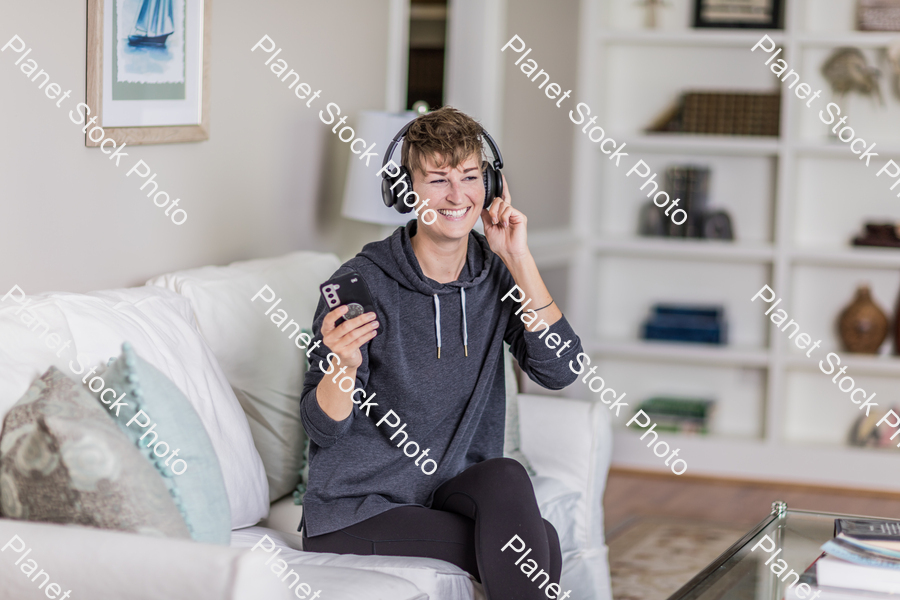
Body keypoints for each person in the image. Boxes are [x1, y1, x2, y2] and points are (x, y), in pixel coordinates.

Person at [299, 106, 583, 600]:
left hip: (444, 494)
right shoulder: (358, 283)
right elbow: (324, 427)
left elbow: (560, 370)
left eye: (470, 177)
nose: (457, 196)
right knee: (540, 547)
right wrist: (342, 368)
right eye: (437, 180)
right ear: (405, 190)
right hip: (359, 506)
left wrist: (519, 258)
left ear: (490, 186)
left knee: (507, 475)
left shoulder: (495, 273)